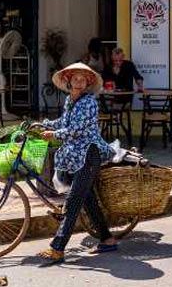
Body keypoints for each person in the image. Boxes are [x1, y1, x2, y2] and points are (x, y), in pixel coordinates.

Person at [36, 62, 118, 265]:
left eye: (83, 79)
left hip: (89, 155)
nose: (79, 82)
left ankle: (57, 249)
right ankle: (107, 239)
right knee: (87, 200)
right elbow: (64, 122)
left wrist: (54, 134)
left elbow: (78, 129)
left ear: (88, 82)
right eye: (76, 78)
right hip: (75, 157)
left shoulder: (89, 101)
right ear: (68, 80)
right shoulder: (69, 100)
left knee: (73, 201)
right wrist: (44, 124)